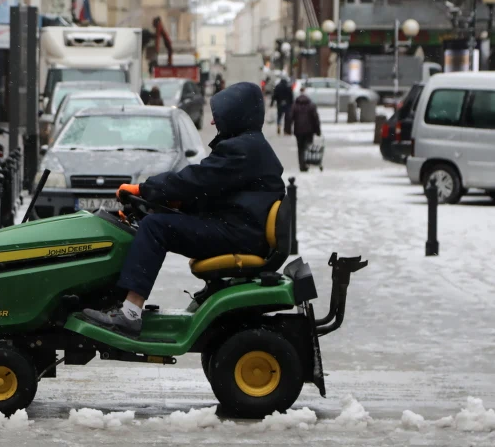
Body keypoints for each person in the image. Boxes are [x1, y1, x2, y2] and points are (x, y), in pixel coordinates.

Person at [82, 82, 285, 336]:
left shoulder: (242, 149)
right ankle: (123, 304)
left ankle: (130, 313)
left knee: (154, 228)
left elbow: (195, 180)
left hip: (238, 234)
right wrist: (173, 203)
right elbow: (213, 189)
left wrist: (144, 189)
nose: (212, 122)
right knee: (156, 222)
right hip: (242, 230)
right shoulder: (251, 146)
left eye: (219, 116)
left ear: (236, 114)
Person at [288, 94, 322, 172]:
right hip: (309, 131)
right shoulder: (311, 106)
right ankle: (306, 163)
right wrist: (318, 131)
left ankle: (301, 165)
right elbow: (316, 119)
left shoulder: (295, 106)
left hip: (298, 131)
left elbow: (290, 118)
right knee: (308, 147)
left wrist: (288, 130)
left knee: (300, 148)